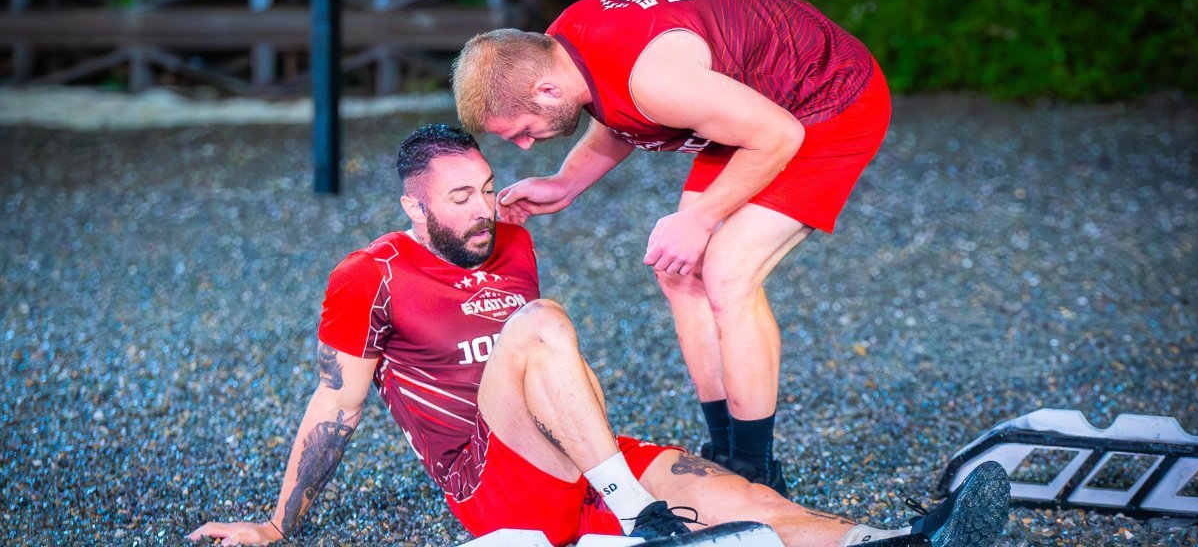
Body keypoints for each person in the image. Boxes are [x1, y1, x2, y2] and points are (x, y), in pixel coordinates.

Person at [187, 125, 1008, 547]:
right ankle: (634, 510)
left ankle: (907, 539)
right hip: (491, 479)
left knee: (756, 505)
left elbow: (547, 375)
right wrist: (279, 524)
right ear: (414, 206)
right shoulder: (370, 273)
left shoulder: (511, 239)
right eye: (459, 199)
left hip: (584, 458)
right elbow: (336, 405)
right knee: (539, 322)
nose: (482, 210)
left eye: (486, 188)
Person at [451, 0, 892, 494]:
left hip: (825, 99)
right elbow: (616, 109)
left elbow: (777, 134)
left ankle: (757, 472)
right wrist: (566, 182)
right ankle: (724, 450)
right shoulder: (564, 49)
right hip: (751, 106)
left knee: (727, 272)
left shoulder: (655, 81)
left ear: (546, 90)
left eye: (523, 131)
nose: (526, 146)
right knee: (680, 271)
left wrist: (700, 218)